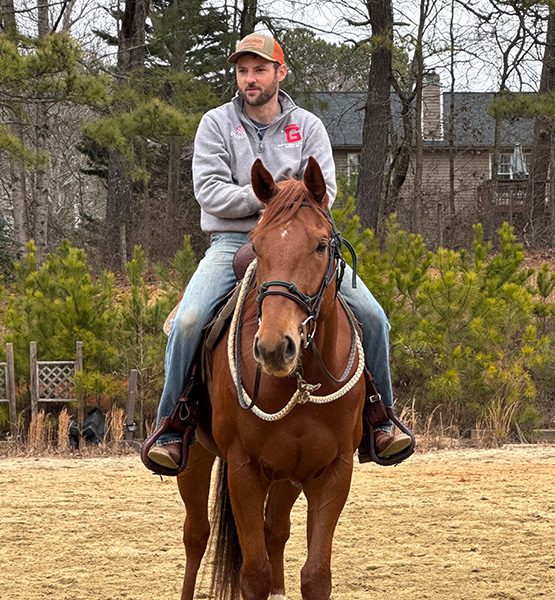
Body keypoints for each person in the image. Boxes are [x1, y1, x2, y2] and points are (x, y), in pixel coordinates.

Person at [146, 32, 411, 472]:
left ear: (280, 72)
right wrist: (267, 199)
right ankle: (173, 424)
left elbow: (325, 189)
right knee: (189, 320)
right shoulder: (216, 123)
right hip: (233, 240)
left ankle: (380, 420)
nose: (250, 79)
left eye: (259, 70)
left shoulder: (308, 126)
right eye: (243, 71)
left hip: (304, 244)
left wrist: (285, 205)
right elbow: (208, 191)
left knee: (374, 317)